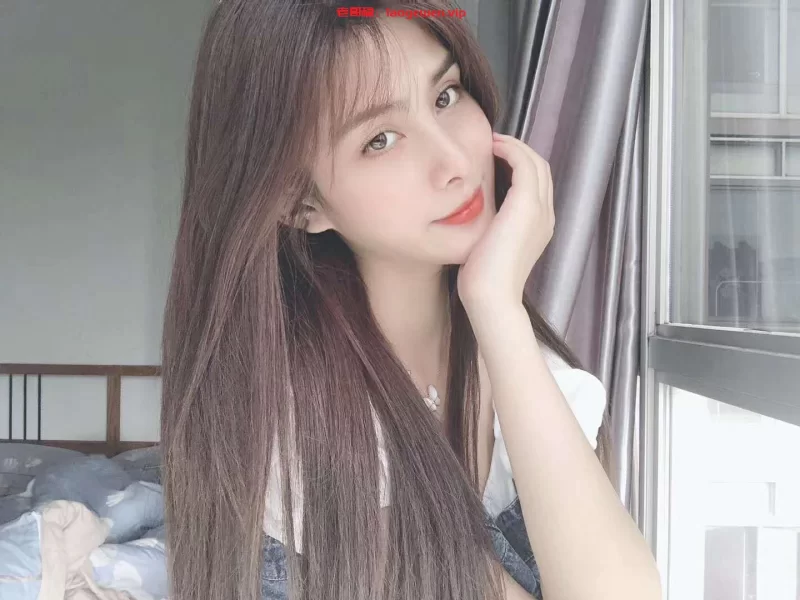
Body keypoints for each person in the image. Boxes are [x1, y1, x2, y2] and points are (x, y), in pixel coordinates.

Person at [159, 2, 663, 600]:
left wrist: (496, 305)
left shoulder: (525, 363)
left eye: (446, 96)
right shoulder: (297, 428)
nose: (455, 162)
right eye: (381, 139)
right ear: (299, 202)